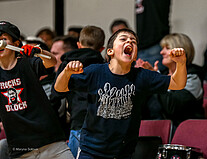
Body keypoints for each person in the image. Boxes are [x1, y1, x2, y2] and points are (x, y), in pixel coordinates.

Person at [54, 28, 187, 159]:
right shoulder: (95, 72)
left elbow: (177, 83)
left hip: (123, 153)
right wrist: (66, 72)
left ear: (135, 54)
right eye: (123, 39)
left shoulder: (142, 76)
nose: (129, 42)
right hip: (91, 151)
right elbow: (60, 88)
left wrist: (181, 63)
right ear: (110, 51)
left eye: (133, 42)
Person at [0, 21, 74, 159]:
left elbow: (51, 62)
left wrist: (39, 52)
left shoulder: (27, 63)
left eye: (3, 39)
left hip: (51, 143)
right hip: (21, 150)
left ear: (16, 44)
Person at [51, 25, 105, 158]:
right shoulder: (105, 66)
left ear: (78, 45)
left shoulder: (67, 65)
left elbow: (55, 96)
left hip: (78, 123)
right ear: (102, 49)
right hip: (102, 126)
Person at [136, 33, 205, 129]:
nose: (161, 52)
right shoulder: (162, 74)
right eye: (162, 48)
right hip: (154, 131)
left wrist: (156, 80)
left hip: (184, 133)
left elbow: (172, 107)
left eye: (167, 48)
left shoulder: (192, 78)